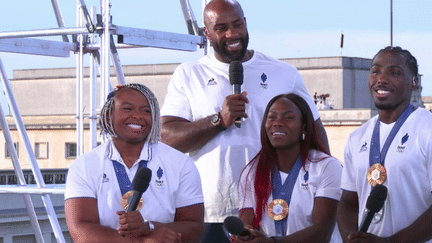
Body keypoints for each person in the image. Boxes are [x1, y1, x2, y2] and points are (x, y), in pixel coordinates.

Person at [160, 0, 329, 242]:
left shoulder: (284, 73)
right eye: (221, 28)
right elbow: (167, 137)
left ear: (246, 24)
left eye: (237, 24)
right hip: (211, 211)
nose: (232, 34)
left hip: (275, 207)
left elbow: (316, 136)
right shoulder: (189, 74)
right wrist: (219, 120)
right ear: (206, 33)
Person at [65, 83, 204, 243]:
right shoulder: (84, 165)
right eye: (127, 109)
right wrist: (143, 242)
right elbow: (80, 230)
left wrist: (150, 227)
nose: (137, 116)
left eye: (146, 110)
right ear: (109, 115)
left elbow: (194, 227)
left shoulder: (181, 163)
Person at [337, 46, 432, 243]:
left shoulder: (427, 128)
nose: (382, 79)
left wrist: (390, 242)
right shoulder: (357, 137)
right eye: (376, 71)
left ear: (414, 82)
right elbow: (348, 201)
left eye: (394, 72)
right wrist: (350, 237)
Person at [232, 93, 342, 243]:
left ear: (304, 127)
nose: (277, 123)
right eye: (271, 117)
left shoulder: (327, 166)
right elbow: (247, 221)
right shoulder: (253, 171)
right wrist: (244, 235)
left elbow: (322, 231)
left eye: (288, 117)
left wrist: (273, 242)